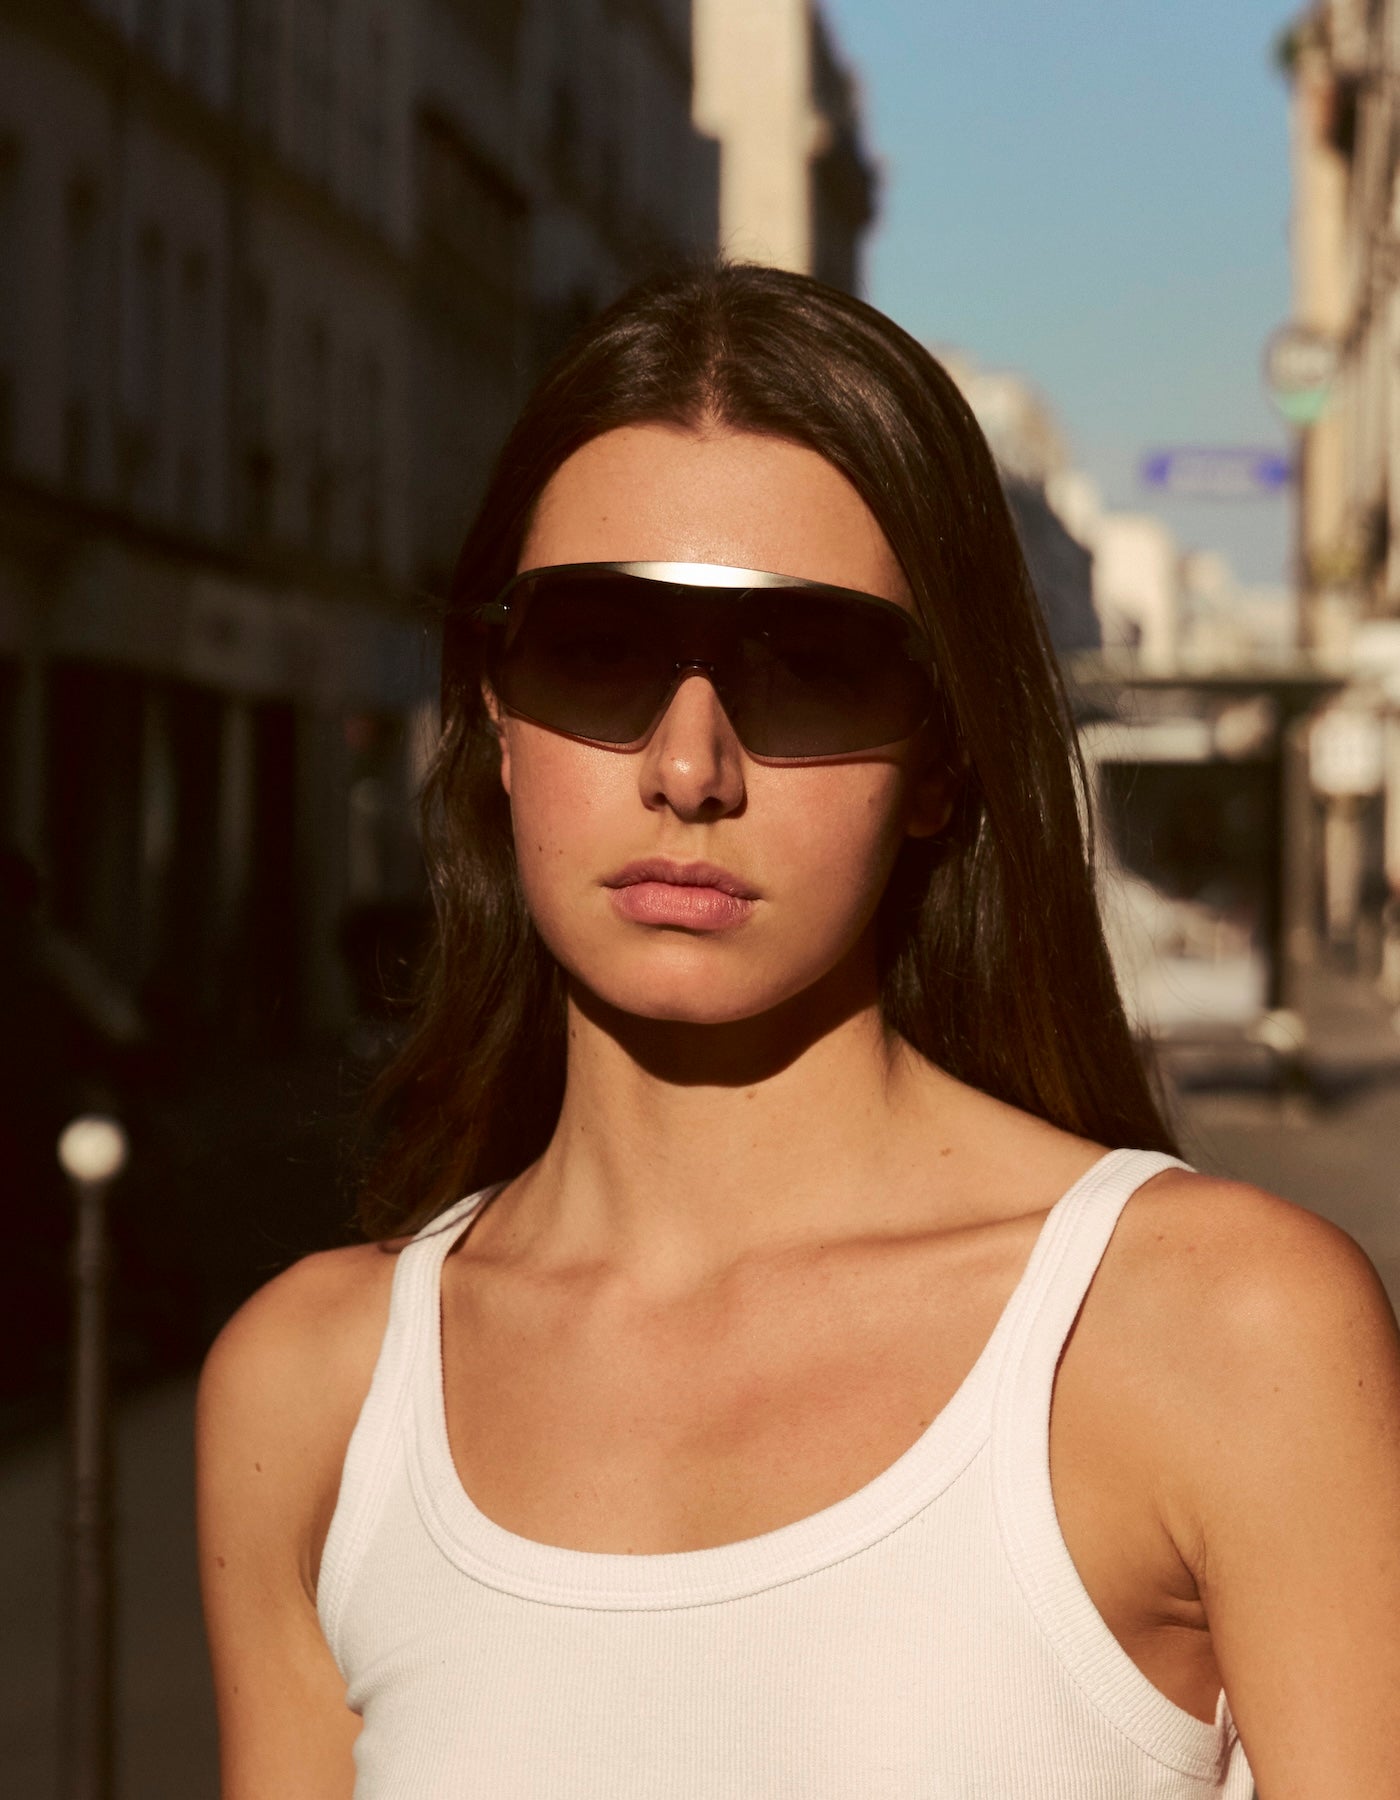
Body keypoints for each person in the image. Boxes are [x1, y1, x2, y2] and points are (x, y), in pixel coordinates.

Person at [196, 262, 1400, 1799]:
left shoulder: (1214, 1330)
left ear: (945, 761)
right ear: (493, 713)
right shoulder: (314, 1390)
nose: (689, 766)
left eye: (811, 671)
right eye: (600, 651)